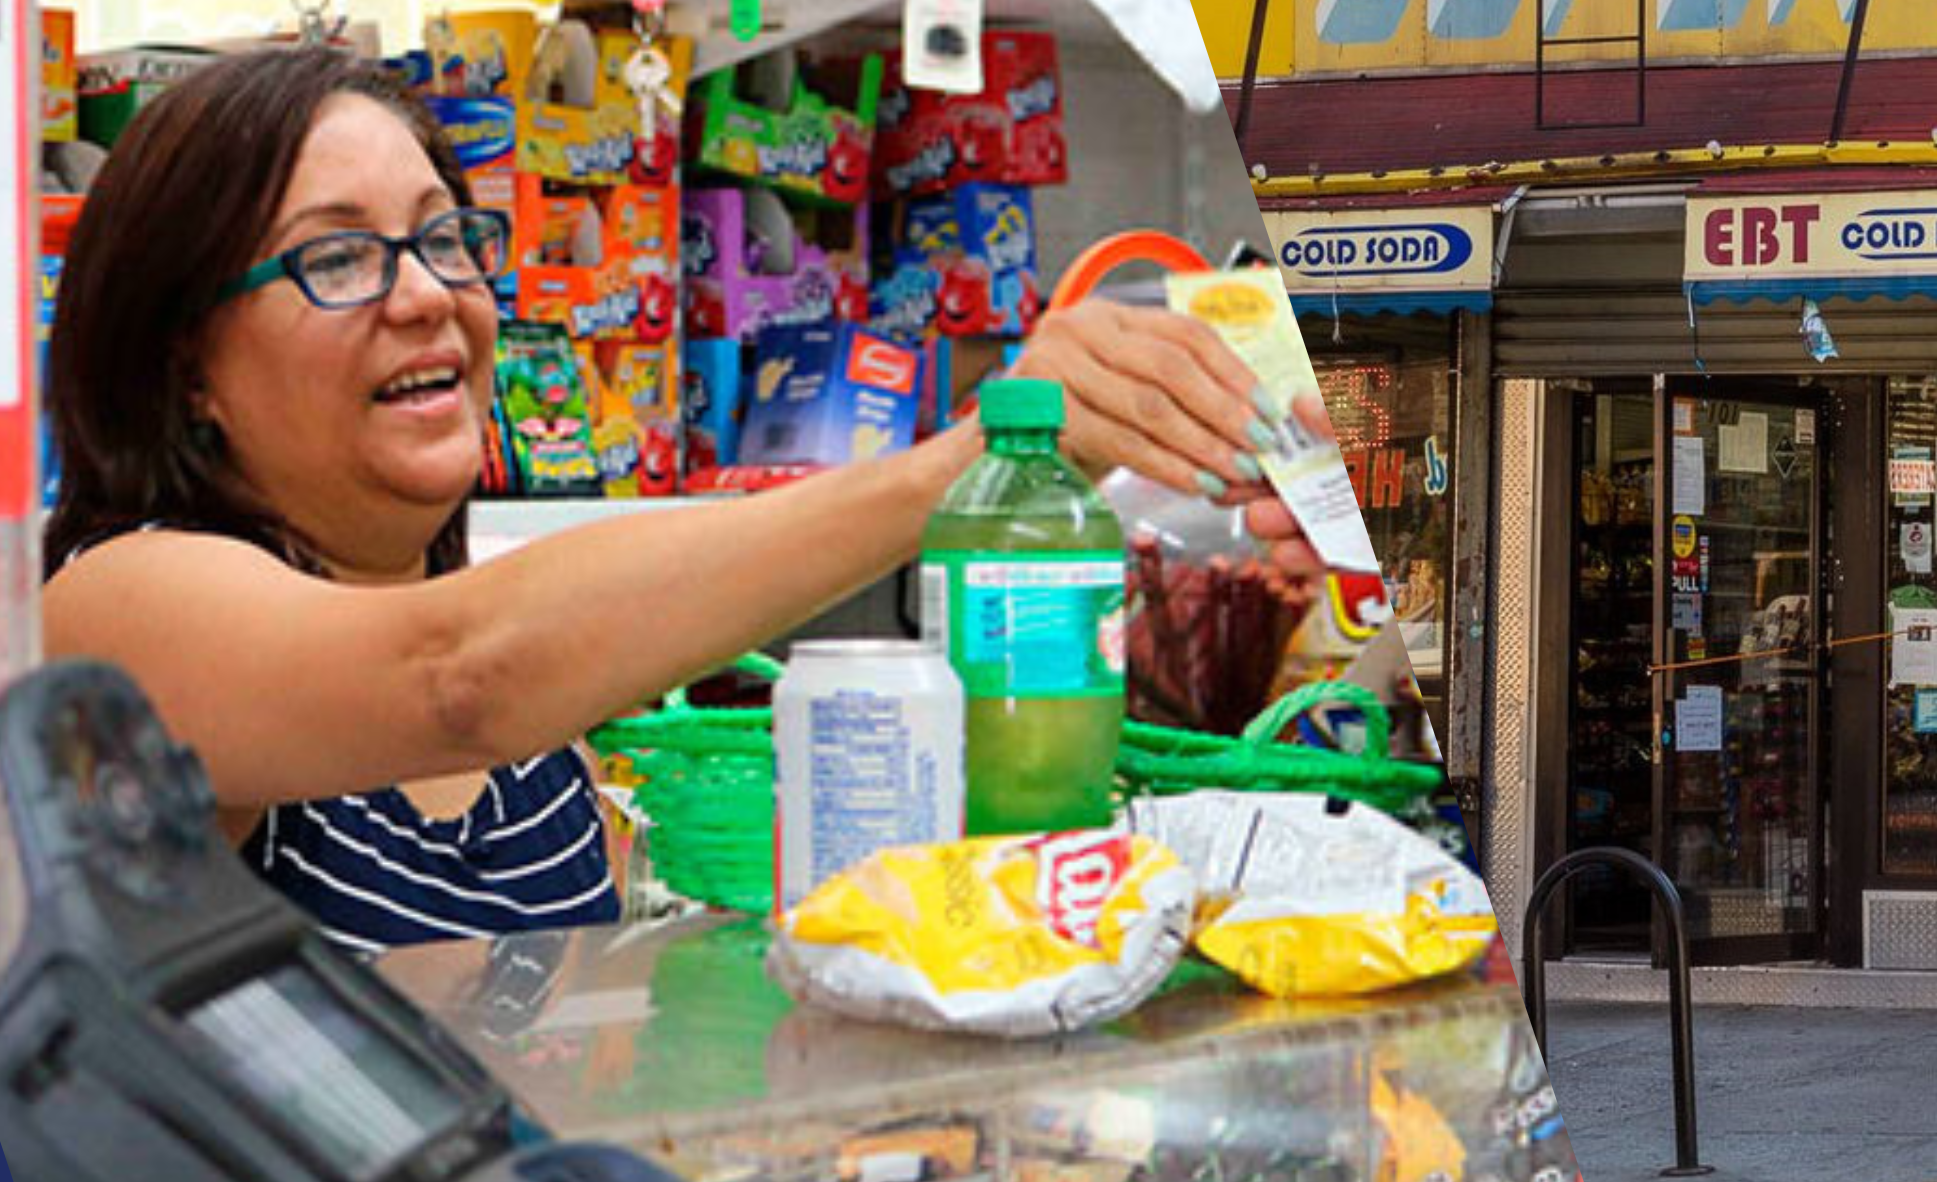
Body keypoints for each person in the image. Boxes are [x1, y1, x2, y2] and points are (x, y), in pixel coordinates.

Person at [41, 47, 1324, 953]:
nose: (427, 292)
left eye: (443, 237)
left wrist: (1259, 631)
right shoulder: (115, 610)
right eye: (335, 256)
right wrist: (962, 460)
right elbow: (456, 676)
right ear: (183, 365)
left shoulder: (535, 673)